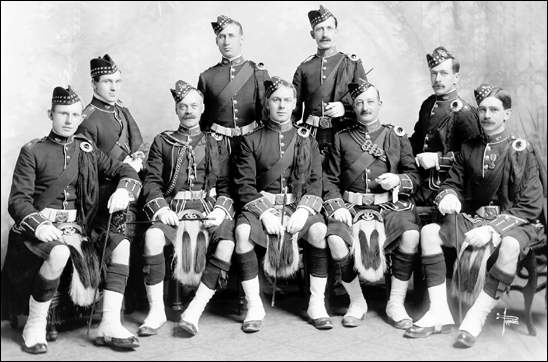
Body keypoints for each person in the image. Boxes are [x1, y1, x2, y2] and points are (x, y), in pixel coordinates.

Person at [2, 86, 142, 353]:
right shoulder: (32, 151)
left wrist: (125, 189)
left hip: (79, 227)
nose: (69, 120)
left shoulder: (87, 150)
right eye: (63, 114)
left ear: (81, 118)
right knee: (58, 254)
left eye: (74, 115)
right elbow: (17, 201)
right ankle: (36, 324)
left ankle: (110, 323)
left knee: (121, 244)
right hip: (40, 230)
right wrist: (39, 224)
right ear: (51, 115)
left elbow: (123, 168)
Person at [404, 84, 545, 348]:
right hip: (475, 219)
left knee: (511, 245)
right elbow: (453, 183)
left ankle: (475, 318)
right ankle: (439, 311)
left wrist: (494, 230)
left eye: (494, 110)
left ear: (507, 114)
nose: (487, 115)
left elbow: (530, 205)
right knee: (429, 232)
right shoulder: (468, 148)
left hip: (516, 221)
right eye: (482, 110)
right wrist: (448, 195)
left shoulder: (522, 151)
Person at [233, 77, 331, 333]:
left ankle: (316, 304)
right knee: (242, 233)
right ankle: (255, 305)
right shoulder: (250, 139)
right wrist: (264, 213)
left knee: (319, 231)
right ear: (267, 103)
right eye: (276, 100)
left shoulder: (306, 138)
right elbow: (244, 185)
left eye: (287, 100)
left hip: (297, 205)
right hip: (262, 205)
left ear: (295, 104)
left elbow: (315, 181)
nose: (282, 106)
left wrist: (304, 209)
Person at [138, 80, 235, 337]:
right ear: (177, 110)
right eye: (183, 106)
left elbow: (226, 185)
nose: (188, 110)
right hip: (174, 209)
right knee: (152, 235)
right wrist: (160, 209)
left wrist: (220, 210)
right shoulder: (163, 142)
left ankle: (194, 310)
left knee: (227, 243)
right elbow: (152, 182)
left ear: (203, 108)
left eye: (194, 105)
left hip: (208, 208)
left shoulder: (217, 142)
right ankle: (157, 311)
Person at [323, 79, 421, 328]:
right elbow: (329, 180)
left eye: (370, 101)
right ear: (353, 107)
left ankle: (395, 303)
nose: (365, 107)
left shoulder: (395, 136)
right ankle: (357, 301)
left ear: (380, 104)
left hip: (387, 206)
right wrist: (338, 206)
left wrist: (398, 180)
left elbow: (414, 176)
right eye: (359, 103)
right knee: (335, 239)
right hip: (351, 207)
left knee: (410, 234)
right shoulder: (341, 138)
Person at [77, 53, 146, 312]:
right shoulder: (87, 118)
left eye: (118, 81)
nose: (114, 87)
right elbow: (86, 166)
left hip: (130, 185)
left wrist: (136, 160)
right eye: (107, 82)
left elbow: (138, 146)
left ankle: (139, 300)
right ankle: (111, 306)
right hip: (104, 194)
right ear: (94, 85)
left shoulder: (123, 111)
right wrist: (125, 170)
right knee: (120, 238)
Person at [292, 5, 367, 161]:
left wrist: (345, 109)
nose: (325, 34)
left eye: (329, 28)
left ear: (336, 31)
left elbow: (366, 103)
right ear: (312, 34)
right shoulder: (304, 68)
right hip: (311, 136)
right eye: (319, 29)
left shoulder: (351, 63)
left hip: (345, 134)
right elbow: (293, 112)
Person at [409, 46, 480, 207]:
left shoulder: (464, 112)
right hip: (422, 183)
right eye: (434, 73)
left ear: (456, 77)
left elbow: (474, 156)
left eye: (444, 73)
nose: (438, 79)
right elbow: (416, 141)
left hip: (451, 187)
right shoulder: (428, 104)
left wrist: (438, 159)